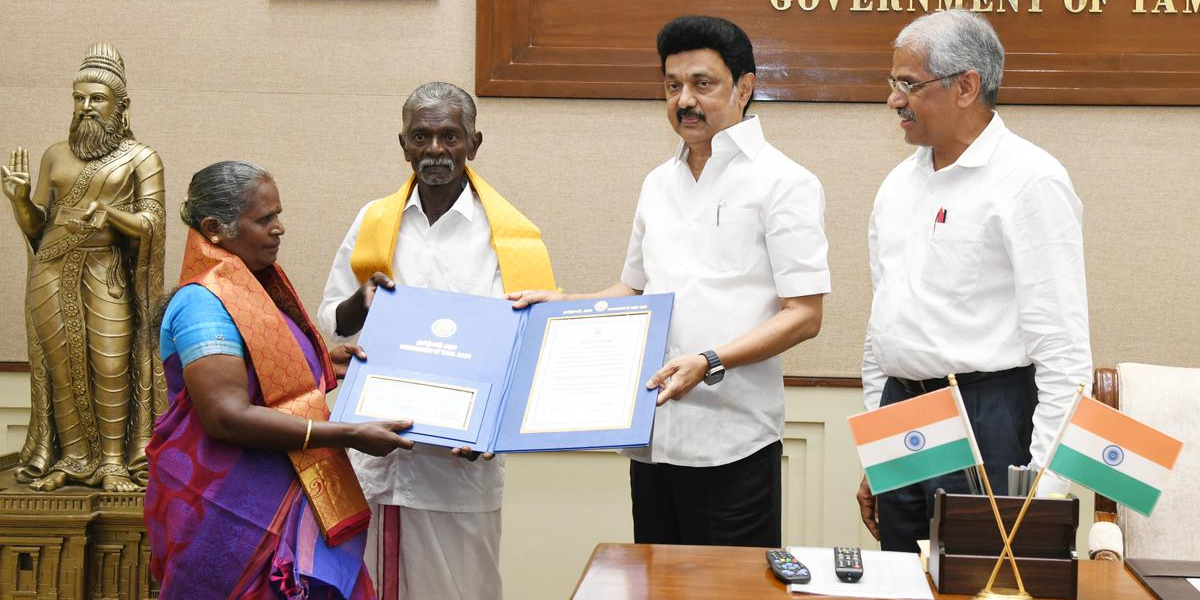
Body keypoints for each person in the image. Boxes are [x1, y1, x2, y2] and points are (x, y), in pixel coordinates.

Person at [510, 16, 828, 548]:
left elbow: (805, 315)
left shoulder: (785, 183)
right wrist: (562, 305)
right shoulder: (658, 183)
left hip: (735, 442)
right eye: (672, 85)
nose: (684, 100)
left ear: (744, 87)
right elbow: (633, 293)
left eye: (702, 84)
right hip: (652, 439)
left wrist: (710, 360)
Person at [857, 10, 1092, 552]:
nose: (894, 99)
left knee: (982, 579)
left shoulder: (1031, 180)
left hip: (990, 416)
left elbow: (1062, 346)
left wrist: (1043, 488)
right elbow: (886, 321)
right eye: (894, 83)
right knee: (904, 581)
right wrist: (879, 446)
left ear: (966, 86)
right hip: (905, 412)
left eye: (909, 84)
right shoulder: (898, 184)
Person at [318, 82, 556, 600]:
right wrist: (363, 300)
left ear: (474, 142)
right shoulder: (373, 220)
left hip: (458, 464)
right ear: (402, 144)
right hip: (374, 453)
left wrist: (489, 430)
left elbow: (528, 342)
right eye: (420, 136)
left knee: (460, 589)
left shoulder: (510, 236)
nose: (434, 150)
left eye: (449, 136)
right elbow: (333, 324)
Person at [145, 161, 412, 599]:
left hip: (290, 493)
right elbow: (226, 416)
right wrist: (347, 433)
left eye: (277, 215)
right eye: (264, 219)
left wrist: (324, 365)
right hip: (227, 510)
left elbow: (263, 378)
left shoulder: (251, 290)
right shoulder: (202, 304)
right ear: (215, 228)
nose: (279, 228)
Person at [1, 42, 166, 492]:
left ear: (121, 105)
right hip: (51, 272)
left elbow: (152, 220)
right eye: (80, 98)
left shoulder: (141, 158)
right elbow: (40, 227)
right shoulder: (56, 154)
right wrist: (19, 202)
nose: (87, 107)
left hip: (105, 270)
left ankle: (113, 463)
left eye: (97, 99)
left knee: (111, 365)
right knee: (62, 365)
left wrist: (111, 214)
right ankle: (73, 459)